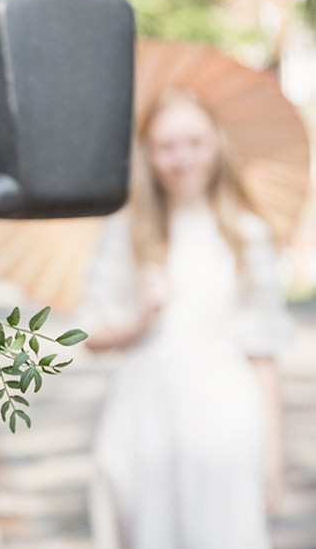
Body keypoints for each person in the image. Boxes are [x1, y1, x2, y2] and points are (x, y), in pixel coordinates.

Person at [80, 90, 290, 549]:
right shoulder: (126, 231)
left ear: (216, 144)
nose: (182, 158)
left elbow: (263, 351)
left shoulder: (247, 234)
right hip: (146, 425)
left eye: (194, 142)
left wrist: (272, 456)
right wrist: (141, 317)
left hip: (226, 422)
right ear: (148, 154)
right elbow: (90, 335)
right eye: (167, 146)